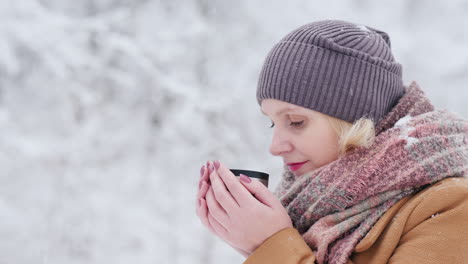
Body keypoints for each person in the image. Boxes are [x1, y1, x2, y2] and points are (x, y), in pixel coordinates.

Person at [195, 20, 468, 264]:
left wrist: (271, 245)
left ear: (356, 121)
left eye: (296, 121)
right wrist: (255, 245)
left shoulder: (452, 207)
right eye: (272, 122)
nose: (275, 146)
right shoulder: (308, 210)